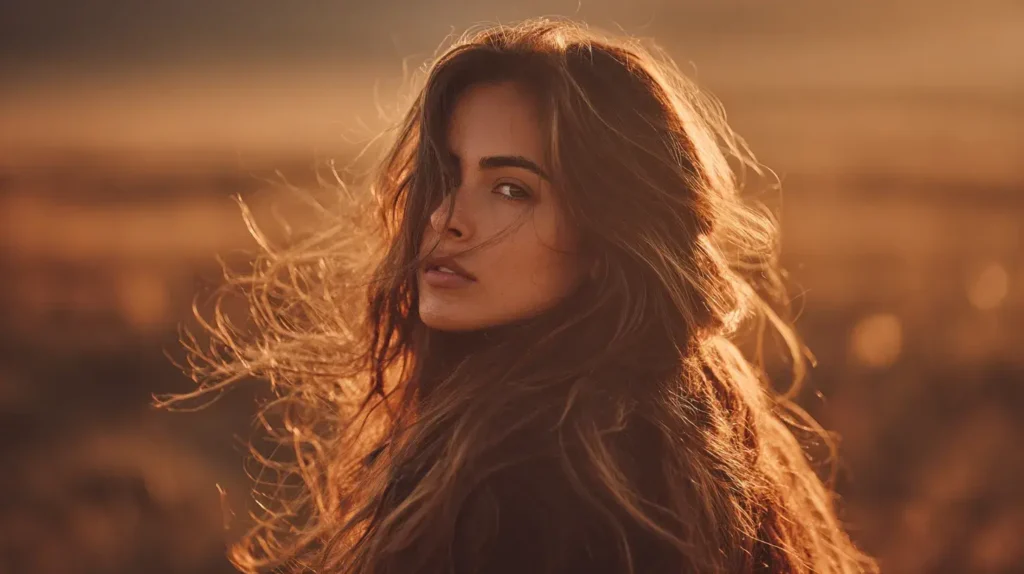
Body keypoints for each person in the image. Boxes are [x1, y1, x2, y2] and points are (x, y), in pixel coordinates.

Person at [166, 18, 878, 574]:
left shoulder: (535, 485)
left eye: (511, 189)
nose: (446, 217)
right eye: (448, 174)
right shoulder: (679, 416)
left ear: (608, 234)